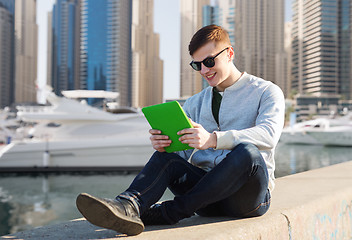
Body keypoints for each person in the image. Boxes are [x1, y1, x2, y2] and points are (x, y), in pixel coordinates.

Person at [76, 24, 285, 236]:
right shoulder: (194, 103)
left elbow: (269, 135)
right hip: (205, 200)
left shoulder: (266, 92)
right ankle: (128, 206)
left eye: (209, 61)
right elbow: (184, 153)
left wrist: (213, 139)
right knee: (164, 158)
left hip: (247, 199)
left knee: (247, 153)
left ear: (229, 53)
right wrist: (166, 145)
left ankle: (168, 212)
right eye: (197, 65)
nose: (204, 70)